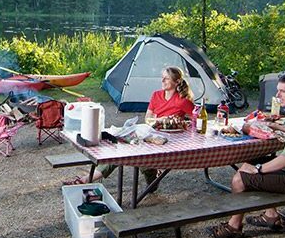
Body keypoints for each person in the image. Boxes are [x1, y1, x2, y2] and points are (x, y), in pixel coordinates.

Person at [209, 72, 285, 238]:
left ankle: (234, 226)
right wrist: (275, 126)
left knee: (241, 177)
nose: (277, 95)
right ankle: (271, 216)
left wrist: (259, 170)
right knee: (252, 159)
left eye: (282, 91)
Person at [63, 66, 194, 189]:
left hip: (169, 141)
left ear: (176, 82)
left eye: (166, 78)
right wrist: (159, 120)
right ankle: (86, 179)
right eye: (162, 77)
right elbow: (148, 119)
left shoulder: (182, 101)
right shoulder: (156, 95)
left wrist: (182, 122)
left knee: (141, 159)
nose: (162, 80)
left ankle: (152, 175)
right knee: (119, 149)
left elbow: (196, 119)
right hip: (150, 134)